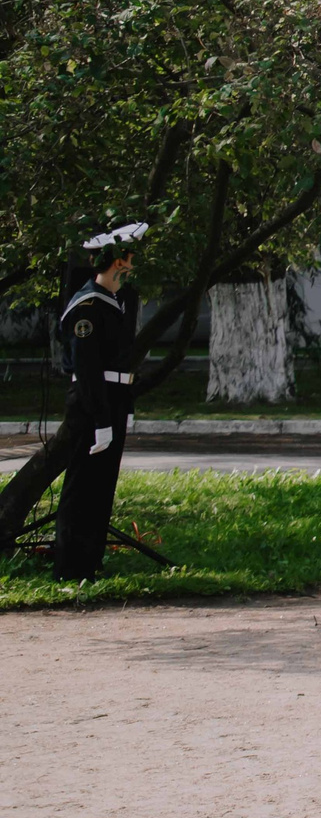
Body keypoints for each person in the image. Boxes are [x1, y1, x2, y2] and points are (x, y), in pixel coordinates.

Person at [53, 222, 145, 580]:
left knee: (100, 486)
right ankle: (71, 568)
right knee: (82, 488)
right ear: (118, 260)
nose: (133, 262)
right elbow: (89, 370)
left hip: (110, 399)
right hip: (93, 403)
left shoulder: (110, 302)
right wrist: (102, 420)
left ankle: (88, 563)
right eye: (129, 255)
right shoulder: (88, 306)